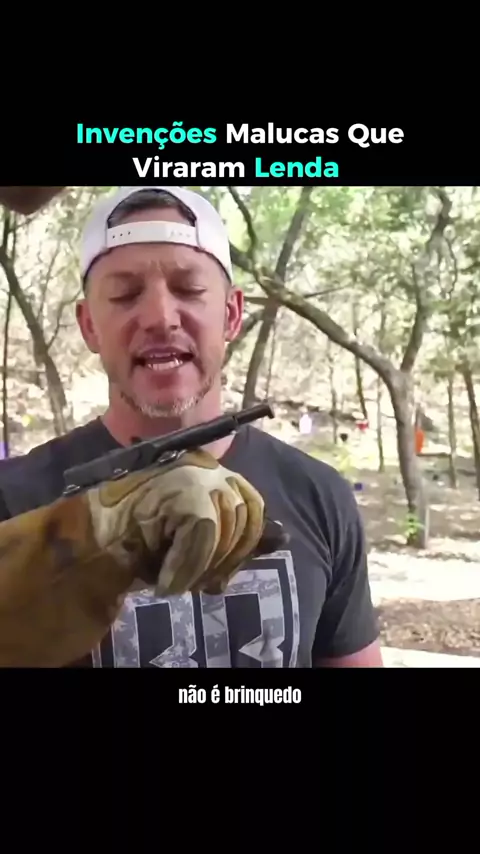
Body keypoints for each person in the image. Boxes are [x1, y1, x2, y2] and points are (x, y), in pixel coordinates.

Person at [0, 185, 383, 668]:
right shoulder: (14, 501)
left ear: (232, 314)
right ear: (89, 325)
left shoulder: (319, 495)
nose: (160, 317)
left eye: (189, 290)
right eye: (124, 294)